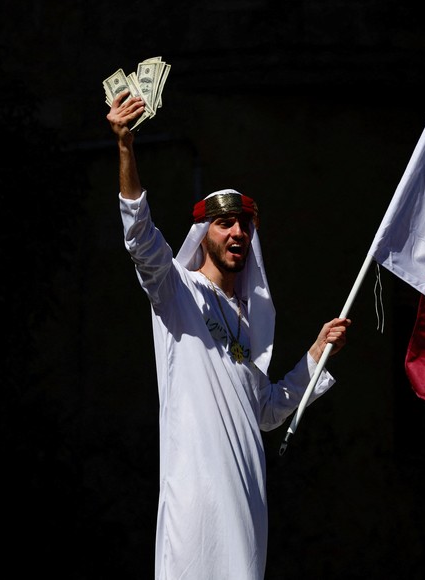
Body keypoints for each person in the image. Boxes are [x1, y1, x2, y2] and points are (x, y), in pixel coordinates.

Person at [106, 90, 351, 580]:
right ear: (204, 234)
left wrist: (316, 354)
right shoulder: (177, 293)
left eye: (243, 225)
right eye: (224, 224)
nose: (236, 232)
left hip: (246, 503)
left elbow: (265, 410)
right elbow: (141, 239)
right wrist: (126, 148)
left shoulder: (249, 324)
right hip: (197, 503)